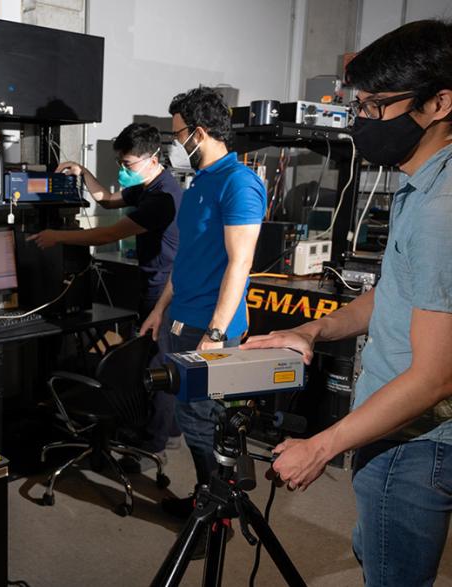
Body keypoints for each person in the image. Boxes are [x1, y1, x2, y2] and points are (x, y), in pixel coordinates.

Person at [242, 20, 452, 586]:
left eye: (375, 106)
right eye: (356, 105)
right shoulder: (423, 184)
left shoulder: (440, 211)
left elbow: (434, 378)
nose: (361, 120)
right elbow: (397, 298)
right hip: (401, 434)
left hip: (412, 443)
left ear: (439, 103)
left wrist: (321, 446)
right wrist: (312, 333)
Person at [140, 87, 266, 519]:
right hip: (181, 318)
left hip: (210, 328)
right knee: (190, 417)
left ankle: (216, 517)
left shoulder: (239, 183)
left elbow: (240, 263)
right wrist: (160, 309)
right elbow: (187, 257)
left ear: (198, 132)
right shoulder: (199, 185)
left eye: (177, 135)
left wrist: (214, 333)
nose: (175, 144)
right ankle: (205, 500)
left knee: (206, 422)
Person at [28, 122, 183, 464]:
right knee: (151, 360)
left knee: (157, 365)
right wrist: (82, 171)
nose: (124, 171)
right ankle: (165, 432)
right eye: (121, 164)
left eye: (128, 165)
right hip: (151, 282)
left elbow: (106, 236)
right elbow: (107, 199)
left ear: (153, 158)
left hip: (165, 292)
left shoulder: (163, 198)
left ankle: (153, 443)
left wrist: (58, 236)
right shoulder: (148, 187)